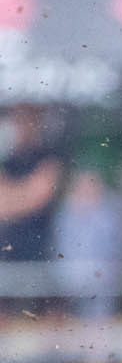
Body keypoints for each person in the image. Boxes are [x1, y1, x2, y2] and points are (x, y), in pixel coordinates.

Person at [50, 165, 122, 363]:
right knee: (76, 327)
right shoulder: (67, 213)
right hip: (73, 283)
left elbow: (117, 244)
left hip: (100, 283)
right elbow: (61, 247)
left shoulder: (108, 213)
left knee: (99, 325)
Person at [0, 105, 66, 273]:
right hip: (7, 254)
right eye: (18, 120)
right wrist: (24, 192)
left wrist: (12, 194)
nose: (23, 126)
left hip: (39, 254)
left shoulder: (49, 157)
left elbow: (37, 196)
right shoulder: (8, 161)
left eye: (28, 119)